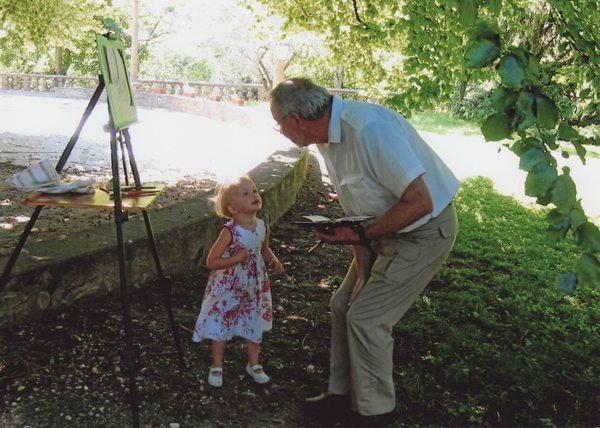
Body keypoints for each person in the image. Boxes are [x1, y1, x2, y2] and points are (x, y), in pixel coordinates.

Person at [269, 78, 460, 427]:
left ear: (295, 119)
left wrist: (360, 235)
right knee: (344, 303)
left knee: (367, 319)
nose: (279, 131)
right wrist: (361, 255)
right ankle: (341, 396)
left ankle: (375, 414)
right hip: (383, 231)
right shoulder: (327, 137)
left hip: (424, 232)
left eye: (277, 123)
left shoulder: (370, 129)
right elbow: (358, 204)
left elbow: (420, 203)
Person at [192, 176, 284, 387]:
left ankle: (254, 363)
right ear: (232, 209)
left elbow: (263, 248)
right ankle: (217, 365)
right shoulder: (229, 231)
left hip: (253, 287)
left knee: (254, 319)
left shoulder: (262, 226)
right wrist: (236, 259)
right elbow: (211, 261)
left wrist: (272, 259)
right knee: (221, 321)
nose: (254, 195)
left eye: (254, 190)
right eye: (246, 193)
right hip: (229, 287)